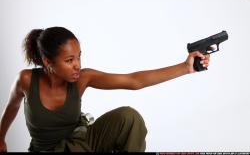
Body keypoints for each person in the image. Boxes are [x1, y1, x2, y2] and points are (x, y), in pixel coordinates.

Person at [0, 27, 211, 152]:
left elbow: (133, 81)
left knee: (129, 117)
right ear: (48, 61)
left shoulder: (82, 79)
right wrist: (0, 138)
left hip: (79, 144)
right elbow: (11, 108)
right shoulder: (26, 80)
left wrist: (185, 67)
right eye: (69, 60)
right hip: (46, 151)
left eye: (79, 56)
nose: (77, 65)